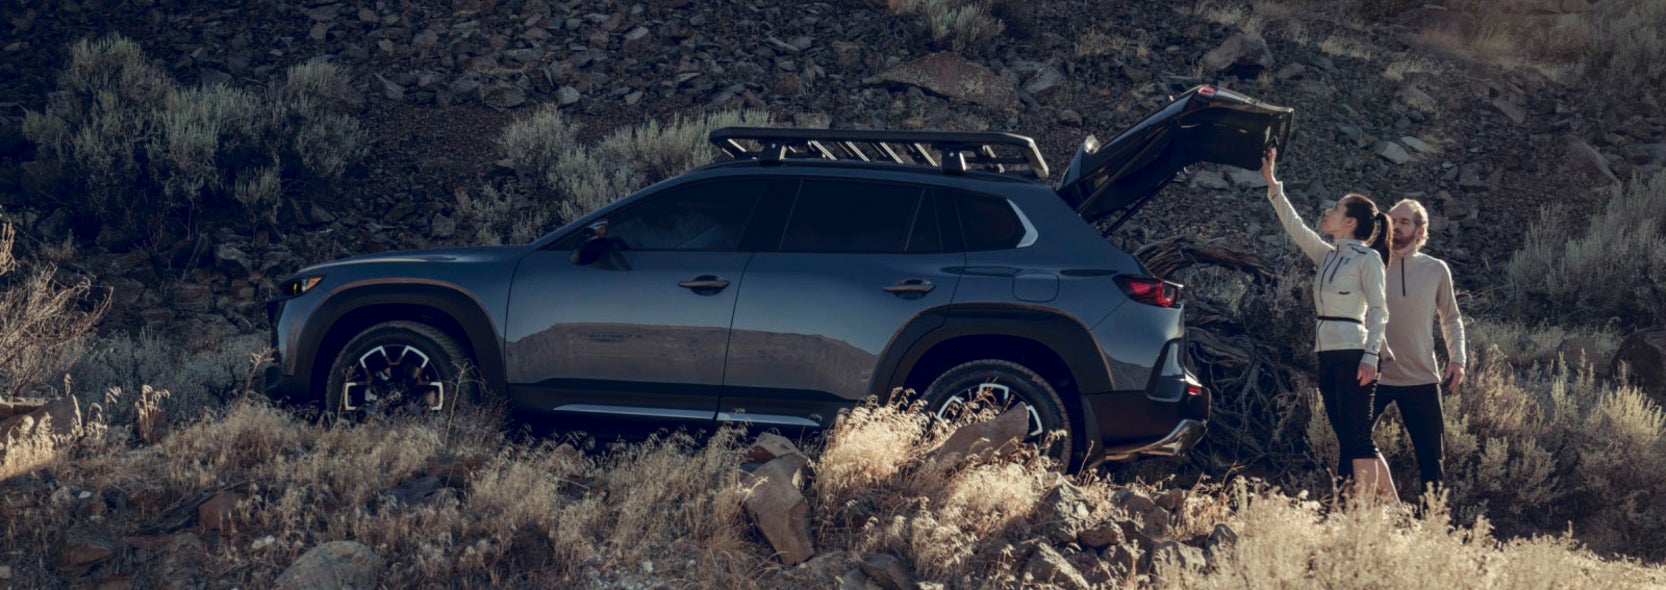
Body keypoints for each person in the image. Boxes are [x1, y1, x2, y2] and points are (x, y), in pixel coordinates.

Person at [1260, 146, 1401, 505]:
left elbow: (1379, 311)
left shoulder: (1368, 259)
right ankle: (1390, 507)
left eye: (1336, 208)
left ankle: (1362, 514)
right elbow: (1296, 228)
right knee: (1348, 435)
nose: (1328, 211)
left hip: (1356, 353)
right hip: (1327, 352)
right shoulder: (1328, 256)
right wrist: (1273, 185)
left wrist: (1371, 355)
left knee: (1357, 437)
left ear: (1350, 221)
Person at [1364, 198, 1466, 495]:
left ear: (1420, 230)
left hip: (1421, 377)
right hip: (1373, 374)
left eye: (1404, 222)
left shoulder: (1436, 270)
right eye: (1392, 220)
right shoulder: (1370, 262)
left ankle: (1431, 527)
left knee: (1432, 463)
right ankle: (1356, 515)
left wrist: (1458, 359)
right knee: (1353, 448)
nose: (1395, 227)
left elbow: (1451, 318)